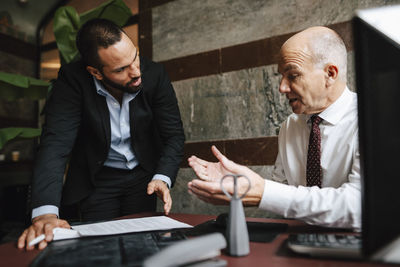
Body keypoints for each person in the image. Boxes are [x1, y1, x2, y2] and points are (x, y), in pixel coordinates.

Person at [18, 18, 185, 250]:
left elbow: (174, 135)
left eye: (134, 57)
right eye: (121, 69)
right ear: (95, 72)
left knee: (142, 248)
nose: (136, 72)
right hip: (97, 181)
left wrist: (162, 177)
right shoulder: (72, 80)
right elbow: (55, 145)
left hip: (143, 179)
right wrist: (45, 214)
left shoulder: (154, 74)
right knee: (99, 248)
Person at [188, 26, 361, 230]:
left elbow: (359, 206)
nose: (282, 88)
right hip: (296, 244)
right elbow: (283, 190)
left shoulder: (375, 119)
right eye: (281, 76)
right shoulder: (291, 125)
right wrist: (241, 184)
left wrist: (262, 192)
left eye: (293, 75)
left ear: (330, 73)